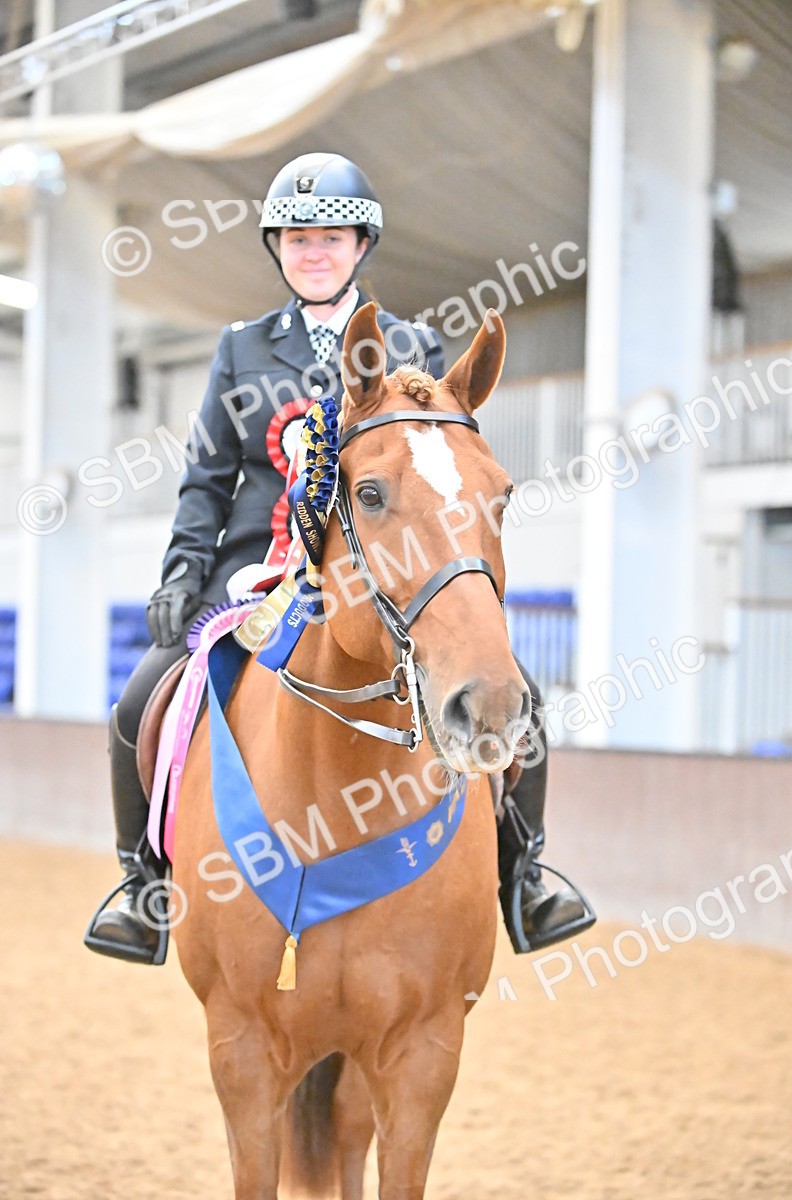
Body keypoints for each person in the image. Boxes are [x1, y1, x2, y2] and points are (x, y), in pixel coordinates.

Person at [85, 152, 593, 966]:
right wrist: (183, 572)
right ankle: (141, 887)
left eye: (330, 237)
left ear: (360, 247)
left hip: (380, 572)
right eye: (296, 238)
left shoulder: (411, 343)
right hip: (255, 575)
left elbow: (436, 480)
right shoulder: (242, 349)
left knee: (515, 693)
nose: (312, 251)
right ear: (278, 250)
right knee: (139, 700)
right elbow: (208, 480)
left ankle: (523, 876)